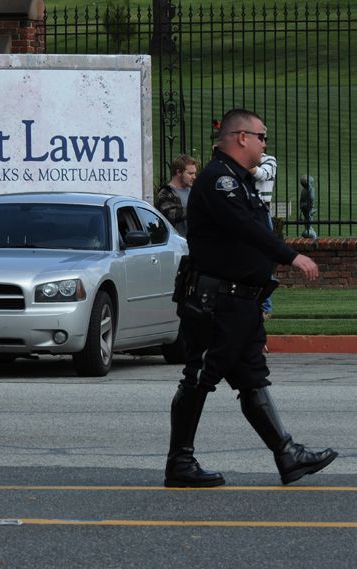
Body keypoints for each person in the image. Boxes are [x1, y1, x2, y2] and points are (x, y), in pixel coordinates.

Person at [164, 109, 337, 488]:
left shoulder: (240, 181)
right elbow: (242, 227)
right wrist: (291, 255)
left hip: (239, 303)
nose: (264, 144)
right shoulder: (218, 180)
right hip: (216, 303)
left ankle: (287, 455)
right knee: (198, 376)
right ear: (241, 137)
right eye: (262, 136)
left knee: (251, 378)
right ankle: (179, 463)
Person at [252, 153, 278, 319]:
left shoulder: (269, 159)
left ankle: (265, 306)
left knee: (263, 259)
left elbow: (263, 174)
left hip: (261, 211)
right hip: (244, 210)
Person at [155, 154, 197, 236]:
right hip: (177, 245)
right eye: (190, 173)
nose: (194, 177)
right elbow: (171, 214)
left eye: (194, 173)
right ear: (178, 172)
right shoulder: (166, 193)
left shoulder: (194, 191)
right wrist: (197, 208)